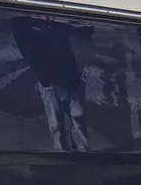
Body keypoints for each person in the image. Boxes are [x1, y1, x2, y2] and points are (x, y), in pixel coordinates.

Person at [10, 14, 94, 151]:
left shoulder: (56, 25)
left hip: (70, 79)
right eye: (40, 14)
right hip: (48, 82)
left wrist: (88, 24)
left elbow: (83, 34)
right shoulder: (24, 27)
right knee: (56, 121)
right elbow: (28, 51)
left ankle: (81, 152)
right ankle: (61, 152)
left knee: (77, 118)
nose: (46, 17)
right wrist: (46, 81)